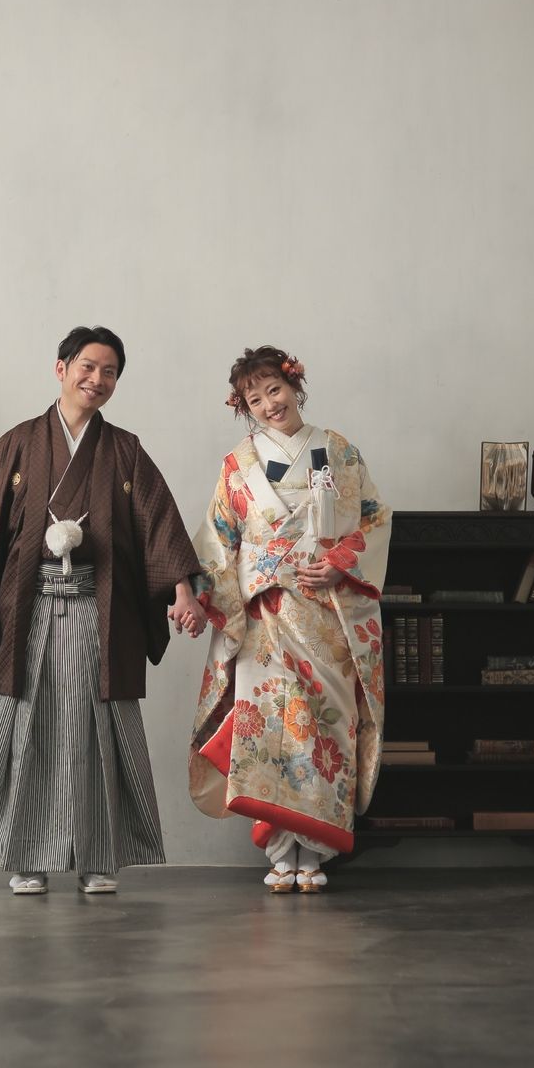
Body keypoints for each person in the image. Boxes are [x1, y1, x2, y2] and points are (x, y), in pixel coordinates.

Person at [0, 326, 206, 895]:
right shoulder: (17, 445)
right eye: (88, 366)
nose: (97, 379)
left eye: (110, 371)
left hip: (99, 611)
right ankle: (26, 858)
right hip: (27, 610)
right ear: (61, 368)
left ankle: (98, 857)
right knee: (27, 728)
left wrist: (182, 590)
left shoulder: (125, 451)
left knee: (97, 731)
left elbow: (158, 524)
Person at [188, 346, 389, 893]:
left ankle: (315, 853)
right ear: (245, 407)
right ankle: (280, 852)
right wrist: (204, 595)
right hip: (264, 618)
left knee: (325, 726)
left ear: (295, 386)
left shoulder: (338, 452)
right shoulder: (238, 465)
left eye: (274, 390)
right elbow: (218, 539)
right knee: (269, 727)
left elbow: (374, 518)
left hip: (328, 615)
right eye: (254, 399)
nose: (268, 404)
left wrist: (341, 562)